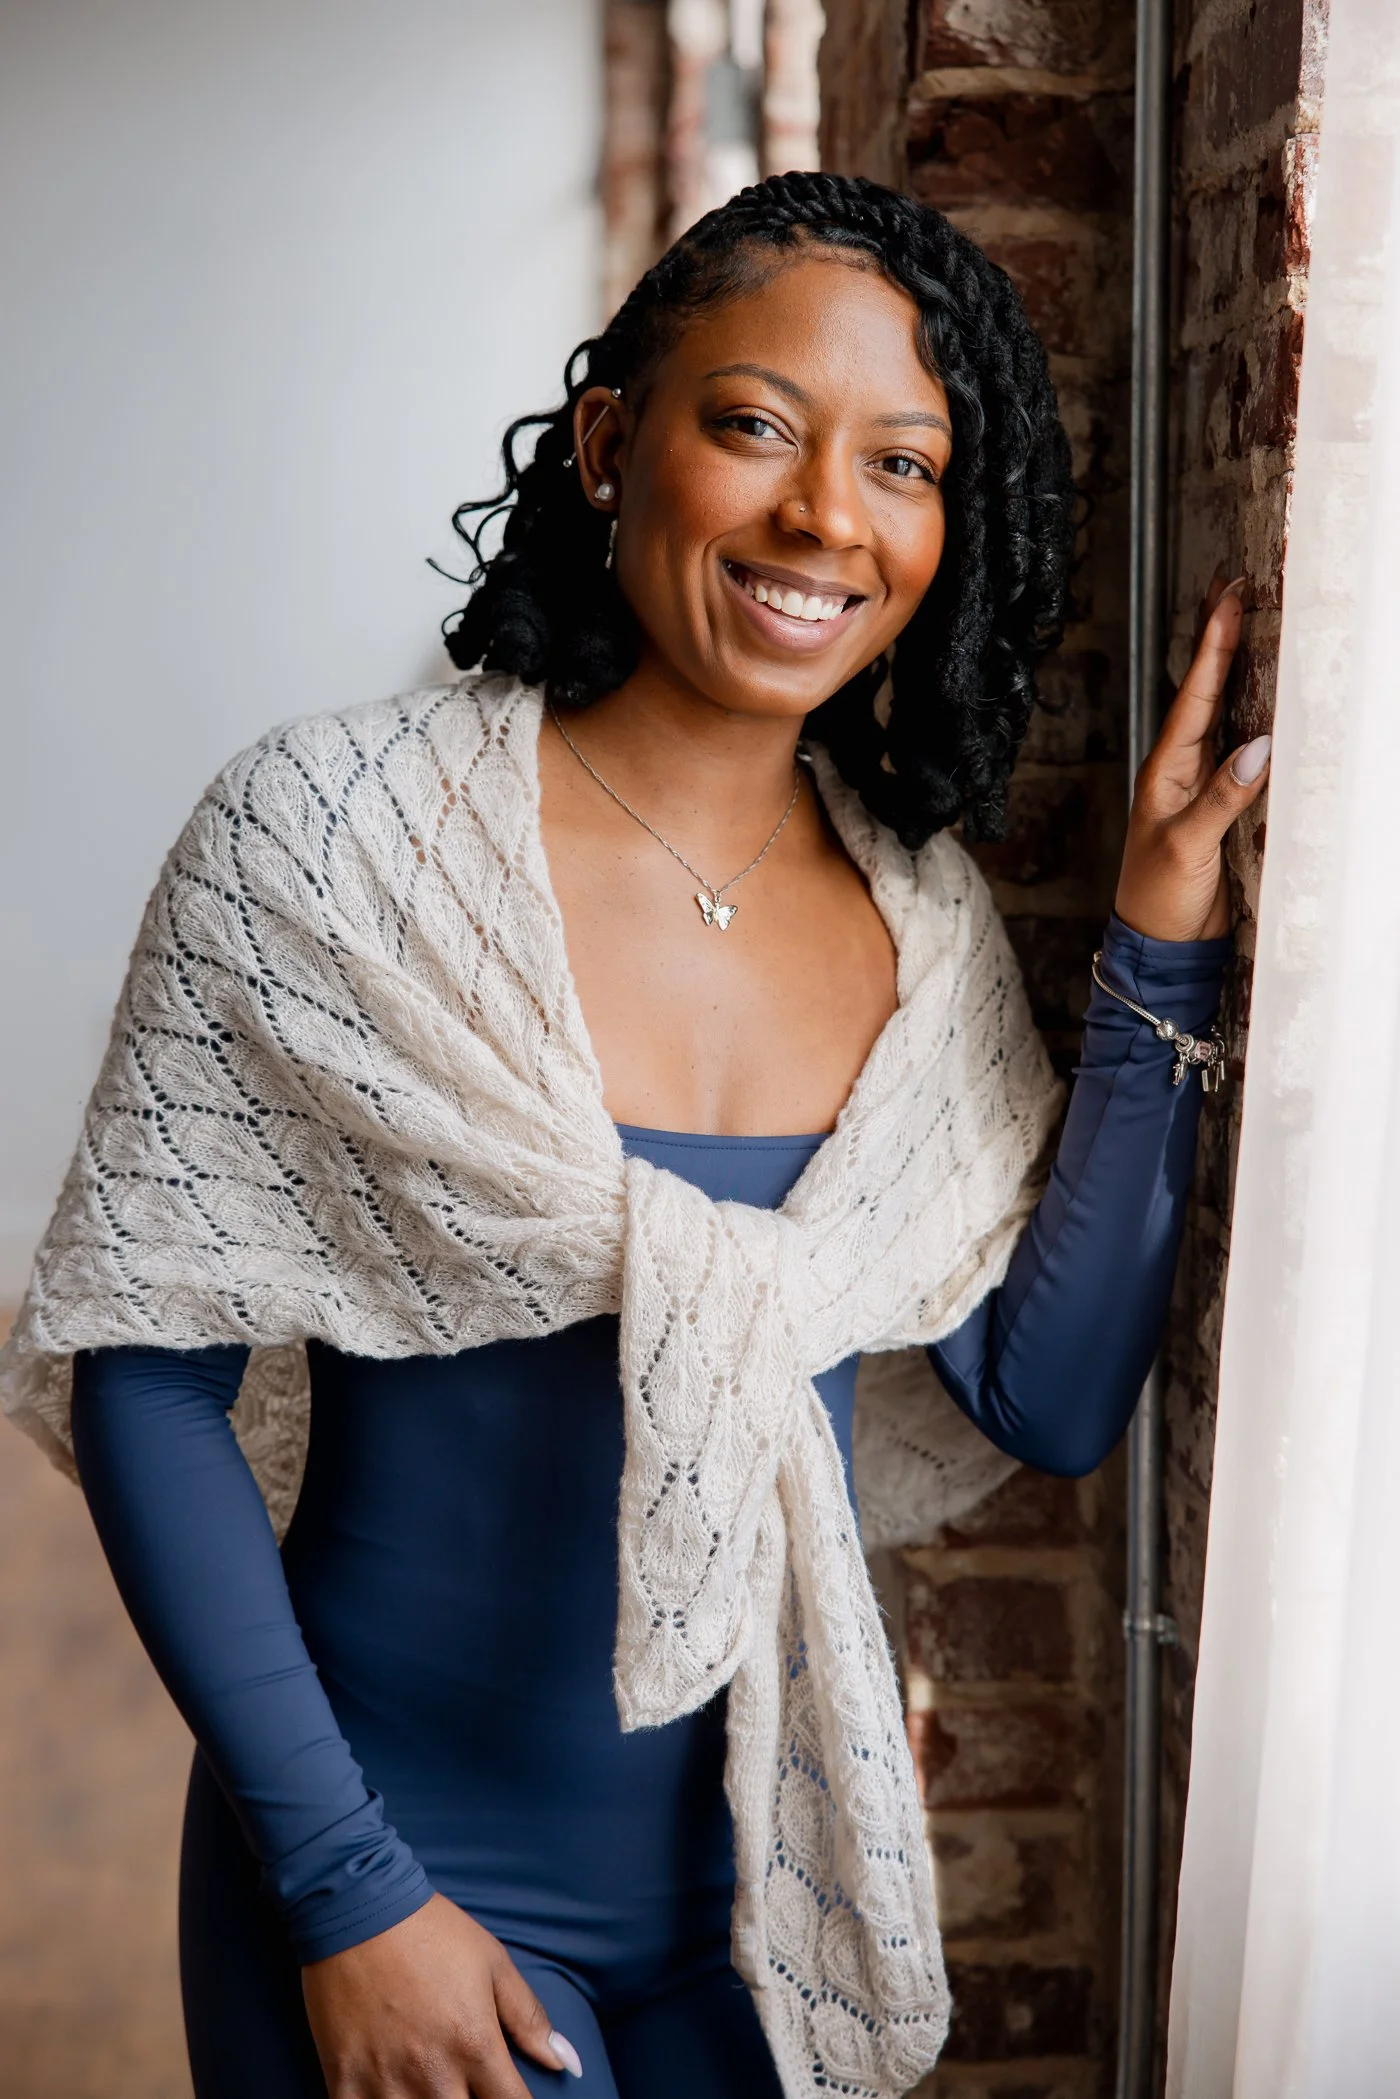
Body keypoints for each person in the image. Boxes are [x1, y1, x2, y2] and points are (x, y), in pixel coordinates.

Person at [0, 173, 1269, 2099]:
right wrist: (347, 1895)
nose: (825, 516)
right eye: (754, 424)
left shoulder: (919, 927)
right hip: (402, 1885)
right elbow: (149, 1382)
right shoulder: (325, 842)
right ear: (613, 442)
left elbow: (1049, 1392)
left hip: (765, 1903)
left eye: (902, 465)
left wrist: (1163, 938)